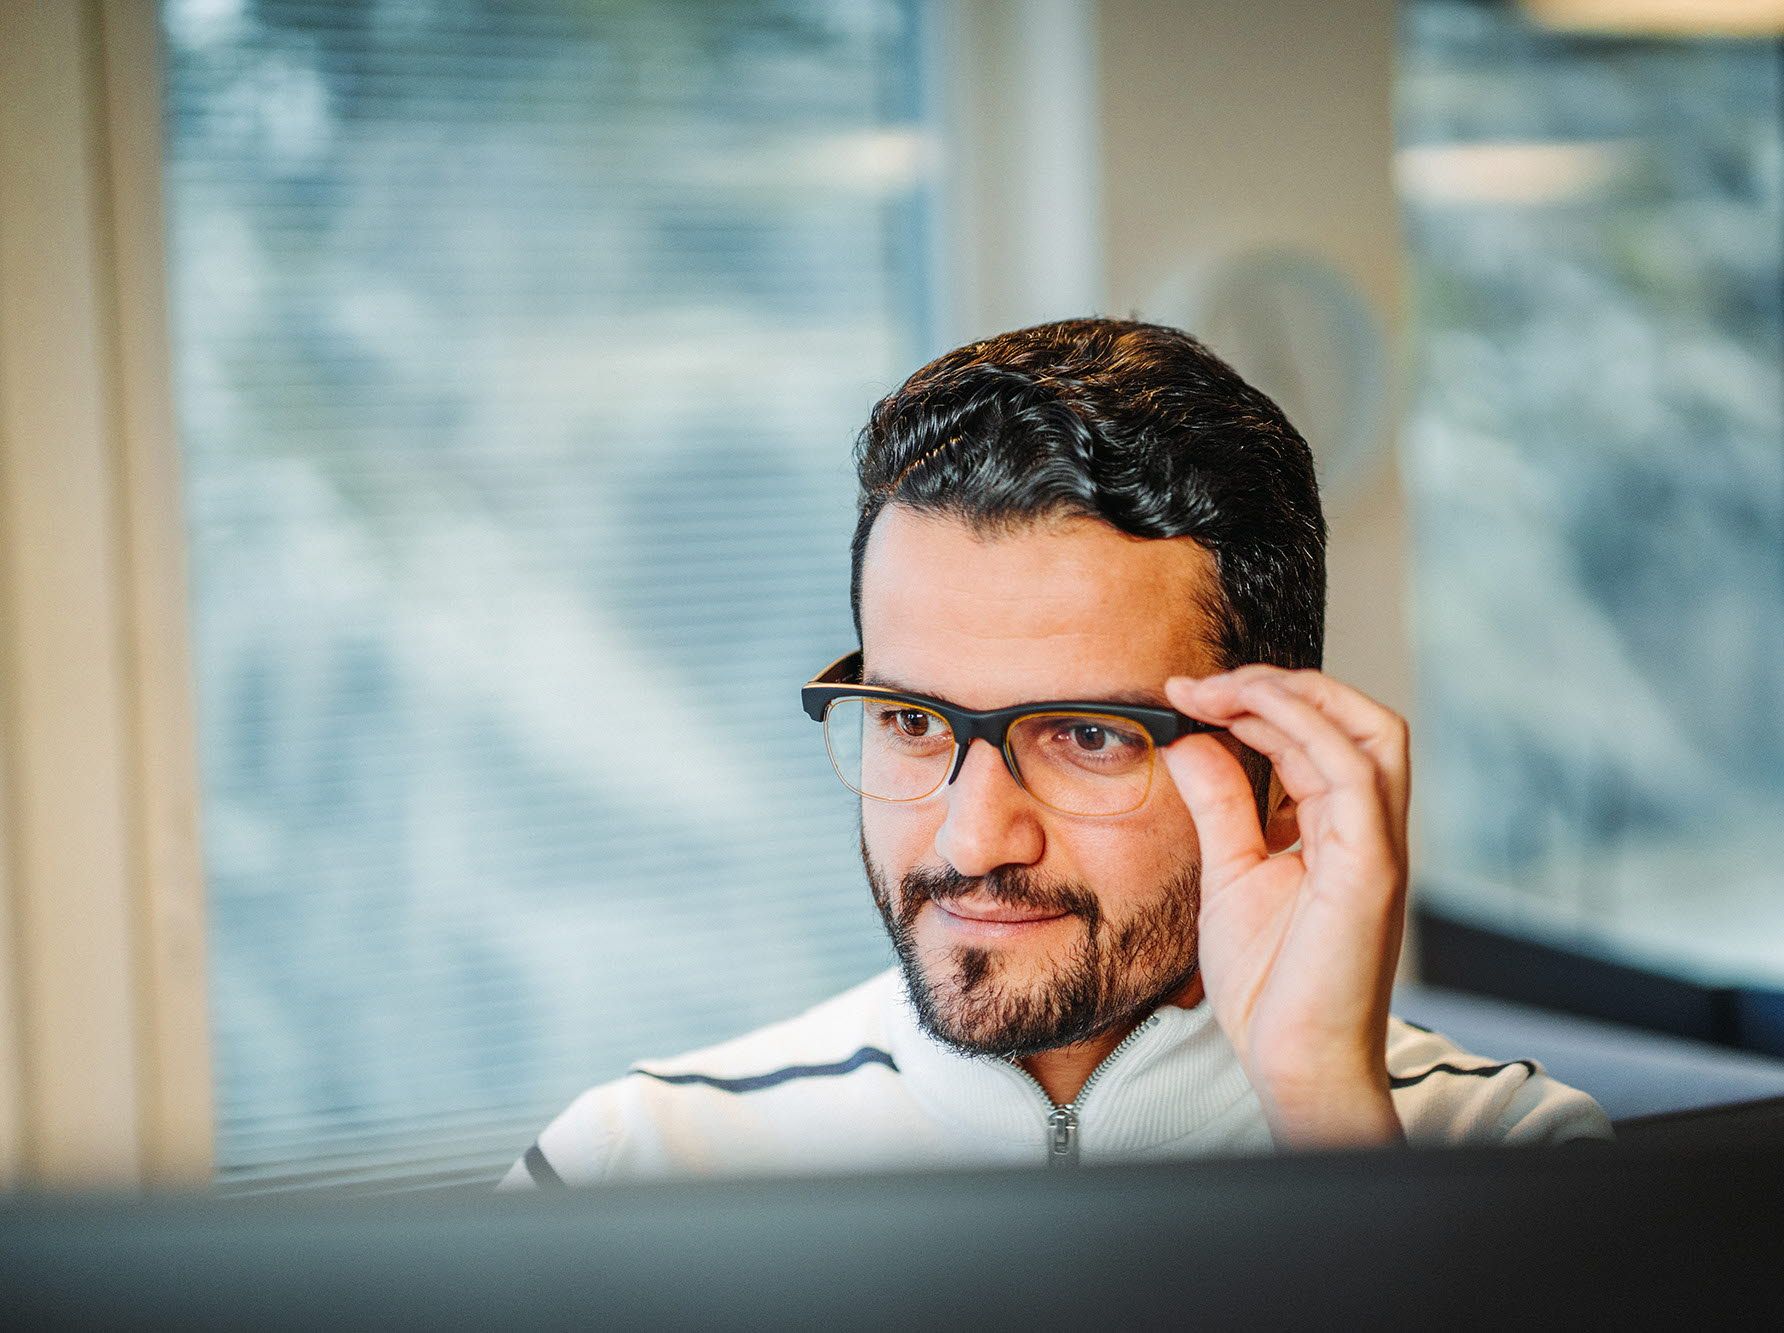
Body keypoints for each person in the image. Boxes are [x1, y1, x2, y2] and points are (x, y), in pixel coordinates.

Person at [502, 319, 1610, 1188]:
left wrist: (1323, 1114)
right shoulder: (635, 1167)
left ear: (1277, 771)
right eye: (911, 721)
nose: (972, 835)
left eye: (1085, 735)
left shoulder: (1514, 1160)